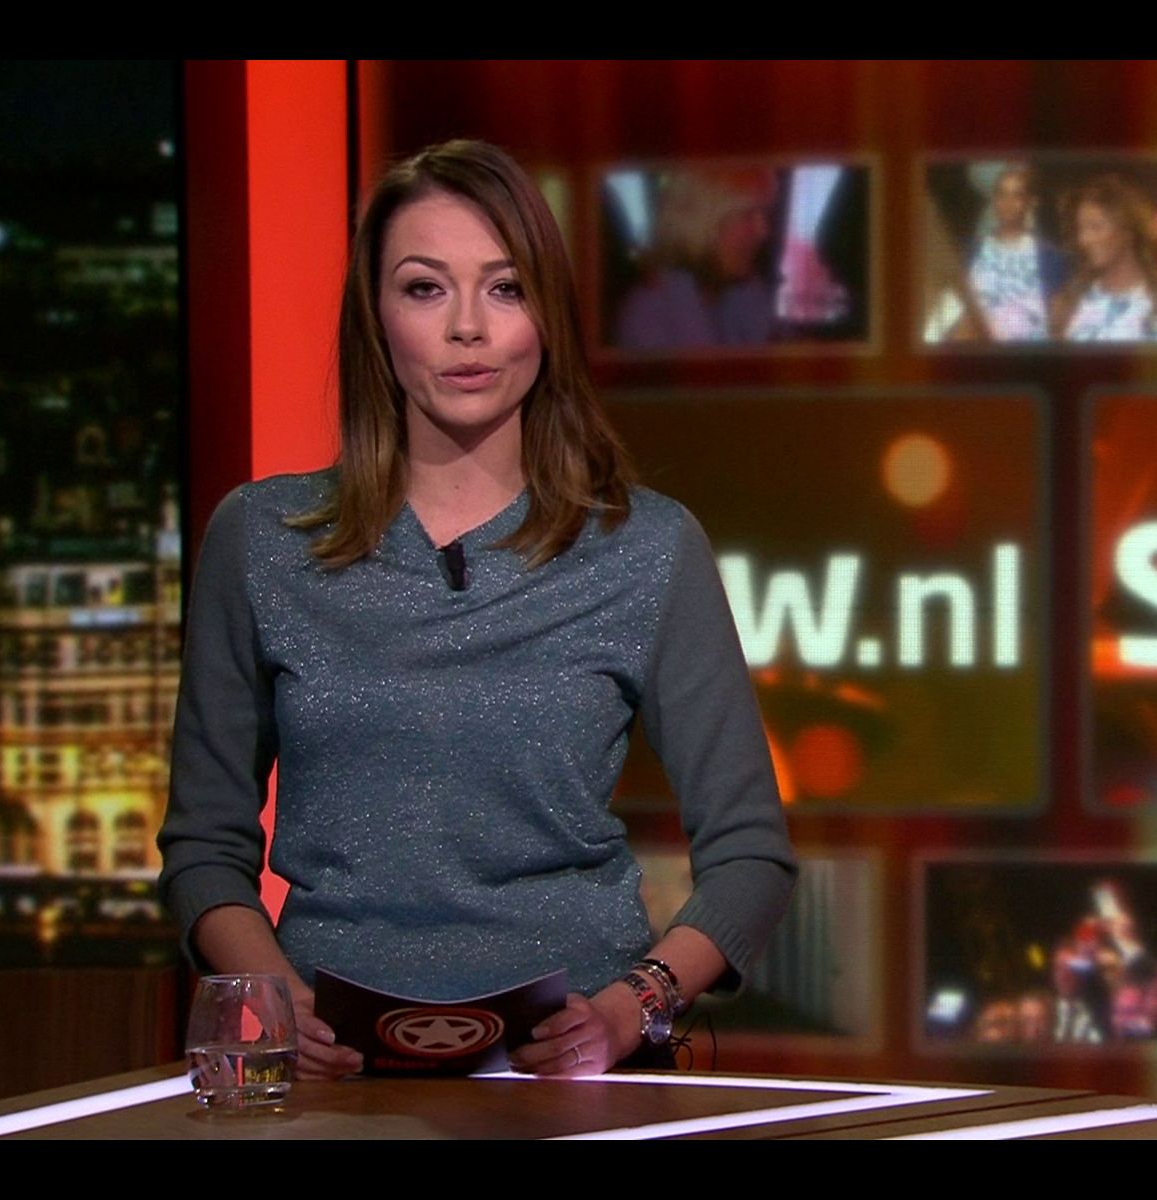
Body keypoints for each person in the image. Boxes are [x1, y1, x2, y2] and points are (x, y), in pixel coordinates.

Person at [157, 140, 798, 1080]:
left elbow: (750, 858)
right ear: (376, 317)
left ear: (546, 315)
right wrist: (277, 999)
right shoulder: (263, 540)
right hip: (333, 1074)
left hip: (576, 1075)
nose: (467, 327)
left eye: (504, 288)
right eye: (425, 288)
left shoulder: (647, 547)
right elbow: (203, 846)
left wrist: (629, 1011)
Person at [614, 166, 781, 349]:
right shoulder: (650, 318)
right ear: (698, 220)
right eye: (747, 215)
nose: (763, 231)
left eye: (765, 214)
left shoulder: (742, 290)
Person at [1052, 174, 1157, 343]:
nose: (1083, 239)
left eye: (1095, 227)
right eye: (1081, 229)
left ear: (1127, 232)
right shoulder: (1070, 301)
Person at [964, 165, 1070, 343]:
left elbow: (1060, 325)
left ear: (1029, 202)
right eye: (1002, 194)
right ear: (994, 200)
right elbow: (956, 311)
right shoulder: (971, 251)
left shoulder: (1049, 257)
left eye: (1017, 195)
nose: (1008, 203)